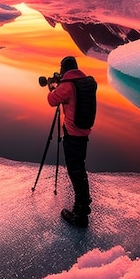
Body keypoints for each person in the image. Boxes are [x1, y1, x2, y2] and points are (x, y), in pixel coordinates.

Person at [46, 56, 95, 228]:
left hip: (73, 134)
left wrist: (52, 88)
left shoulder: (67, 86)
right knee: (79, 167)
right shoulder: (83, 82)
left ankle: (81, 213)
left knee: (75, 169)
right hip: (83, 132)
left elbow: (51, 100)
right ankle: (84, 201)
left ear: (63, 69)